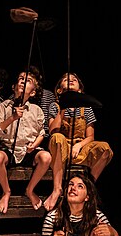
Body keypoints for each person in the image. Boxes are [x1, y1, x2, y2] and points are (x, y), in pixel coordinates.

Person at [0, 66, 56, 213]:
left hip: (28, 150)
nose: (23, 81)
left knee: (46, 157)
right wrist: (12, 118)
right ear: (14, 87)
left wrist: (34, 145)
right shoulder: (3, 106)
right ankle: (6, 191)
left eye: (28, 80)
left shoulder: (36, 110)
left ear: (33, 92)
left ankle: (30, 190)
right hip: (9, 149)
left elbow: (41, 132)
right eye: (21, 78)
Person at [44, 72, 113, 211]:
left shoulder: (86, 108)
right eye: (66, 79)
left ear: (80, 90)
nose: (70, 80)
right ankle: (57, 189)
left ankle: (88, 186)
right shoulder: (55, 106)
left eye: (74, 79)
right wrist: (63, 108)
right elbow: (53, 130)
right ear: (59, 90)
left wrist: (78, 145)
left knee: (105, 148)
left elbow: (90, 137)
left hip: (79, 149)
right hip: (60, 151)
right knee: (57, 138)